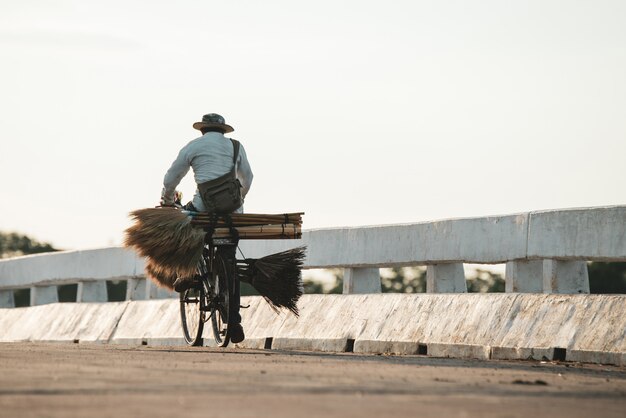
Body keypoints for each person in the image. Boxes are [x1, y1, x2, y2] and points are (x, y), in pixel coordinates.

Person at [160, 113, 253, 343]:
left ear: (203, 130)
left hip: (203, 207)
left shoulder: (193, 146)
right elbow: (248, 177)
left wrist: (168, 200)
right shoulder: (236, 147)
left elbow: (171, 178)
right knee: (229, 261)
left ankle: (188, 271)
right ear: (223, 130)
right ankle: (234, 319)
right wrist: (237, 198)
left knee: (186, 226)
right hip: (232, 212)